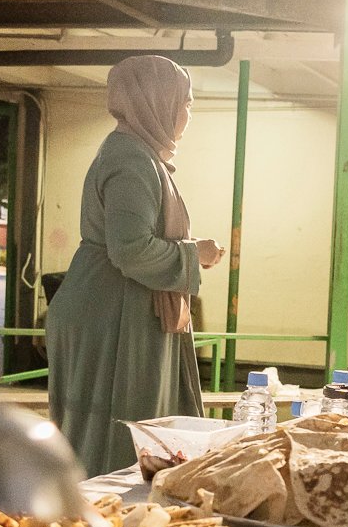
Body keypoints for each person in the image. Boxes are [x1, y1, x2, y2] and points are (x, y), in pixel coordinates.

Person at [47, 55, 224, 477]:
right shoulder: (131, 161)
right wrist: (191, 253)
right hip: (113, 315)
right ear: (155, 103)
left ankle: (98, 523)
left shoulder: (138, 155)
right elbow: (129, 250)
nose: (187, 114)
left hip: (116, 308)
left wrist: (185, 252)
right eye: (184, 103)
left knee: (113, 433)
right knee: (114, 437)